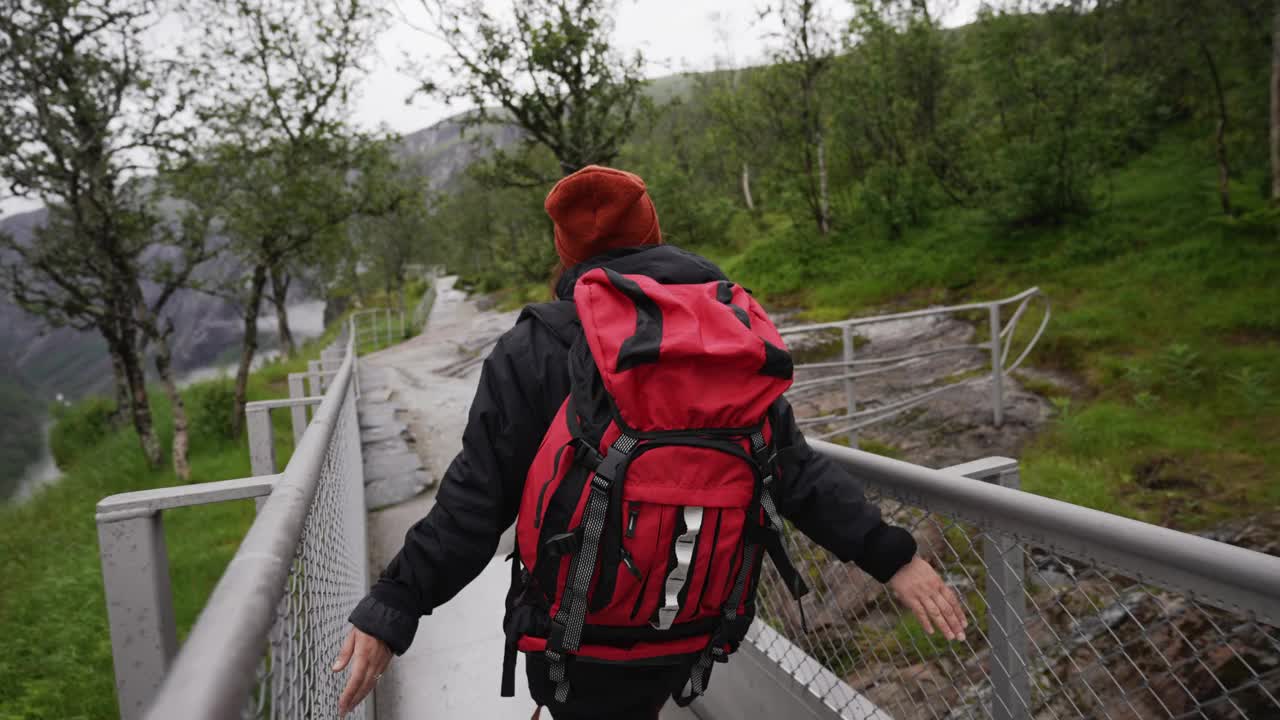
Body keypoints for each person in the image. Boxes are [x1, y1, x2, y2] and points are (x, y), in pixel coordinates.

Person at [332, 165, 967, 719]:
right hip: (696, 619)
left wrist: (396, 603)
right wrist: (894, 558)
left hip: (577, 631)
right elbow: (794, 471)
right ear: (652, 233)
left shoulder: (537, 346)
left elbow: (476, 500)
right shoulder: (724, 336)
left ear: (566, 250)